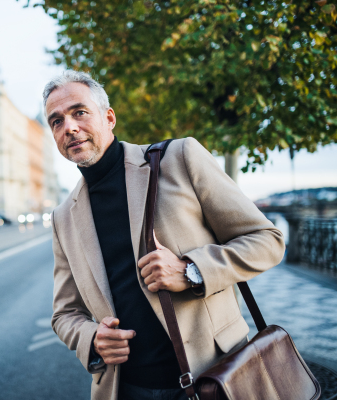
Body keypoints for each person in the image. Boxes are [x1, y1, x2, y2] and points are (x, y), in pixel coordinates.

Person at [45, 70, 285, 400]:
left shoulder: (180, 158)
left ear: (109, 117)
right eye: (56, 121)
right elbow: (64, 314)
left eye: (79, 112)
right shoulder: (62, 218)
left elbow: (267, 239)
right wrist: (91, 338)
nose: (69, 127)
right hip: (124, 388)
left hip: (216, 376)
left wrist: (191, 271)